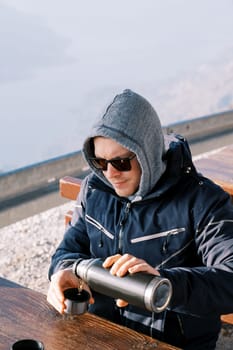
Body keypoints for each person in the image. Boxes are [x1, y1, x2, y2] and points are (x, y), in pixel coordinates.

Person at [47, 89, 233, 349]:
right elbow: (67, 251)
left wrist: (164, 283)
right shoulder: (94, 189)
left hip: (173, 343)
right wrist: (63, 272)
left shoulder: (203, 200)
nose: (111, 174)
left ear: (148, 152)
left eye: (122, 162)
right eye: (100, 162)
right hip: (102, 334)